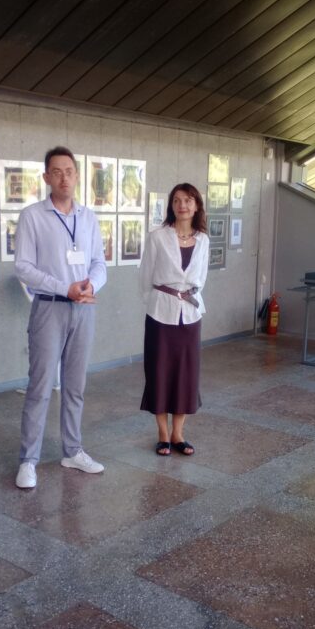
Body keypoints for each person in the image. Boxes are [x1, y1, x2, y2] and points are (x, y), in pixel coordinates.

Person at [14, 146, 107, 489]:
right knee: (40, 387)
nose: (64, 177)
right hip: (49, 307)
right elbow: (23, 267)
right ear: (46, 177)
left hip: (83, 308)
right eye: (57, 172)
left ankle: (72, 450)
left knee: (75, 385)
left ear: (77, 175)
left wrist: (90, 285)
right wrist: (63, 288)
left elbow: (99, 262)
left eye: (69, 171)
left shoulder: (88, 217)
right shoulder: (32, 216)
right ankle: (28, 460)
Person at [139, 183, 209, 456]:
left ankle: (179, 434)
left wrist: (187, 297)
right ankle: (162, 434)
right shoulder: (157, 237)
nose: (183, 205)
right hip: (160, 312)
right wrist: (155, 302)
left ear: (197, 205)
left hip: (190, 314)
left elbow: (202, 278)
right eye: (177, 200)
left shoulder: (203, 240)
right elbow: (145, 277)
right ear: (171, 205)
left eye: (188, 200)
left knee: (186, 373)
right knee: (159, 371)